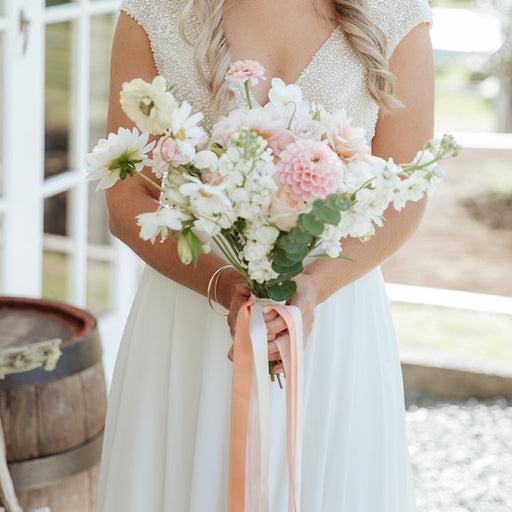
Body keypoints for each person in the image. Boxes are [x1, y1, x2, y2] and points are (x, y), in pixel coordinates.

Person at [97, 0, 434, 510]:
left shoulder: (394, 12)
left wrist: (316, 285)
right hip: (190, 319)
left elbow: (404, 197)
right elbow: (126, 200)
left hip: (334, 316)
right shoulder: (154, 11)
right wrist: (222, 287)